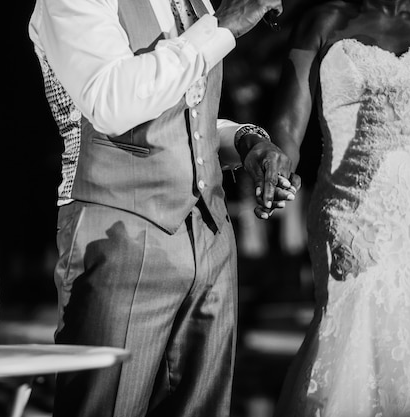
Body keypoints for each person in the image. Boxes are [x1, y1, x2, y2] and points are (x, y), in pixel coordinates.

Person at [28, 0, 301, 416]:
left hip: (209, 234)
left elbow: (184, 115)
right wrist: (221, 25)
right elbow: (111, 100)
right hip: (117, 233)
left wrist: (246, 141)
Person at [266, 0, 410, 415]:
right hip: (352, 209)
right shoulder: (324, 19)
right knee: (360, 333)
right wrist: (276, 166)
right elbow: (287, 124)